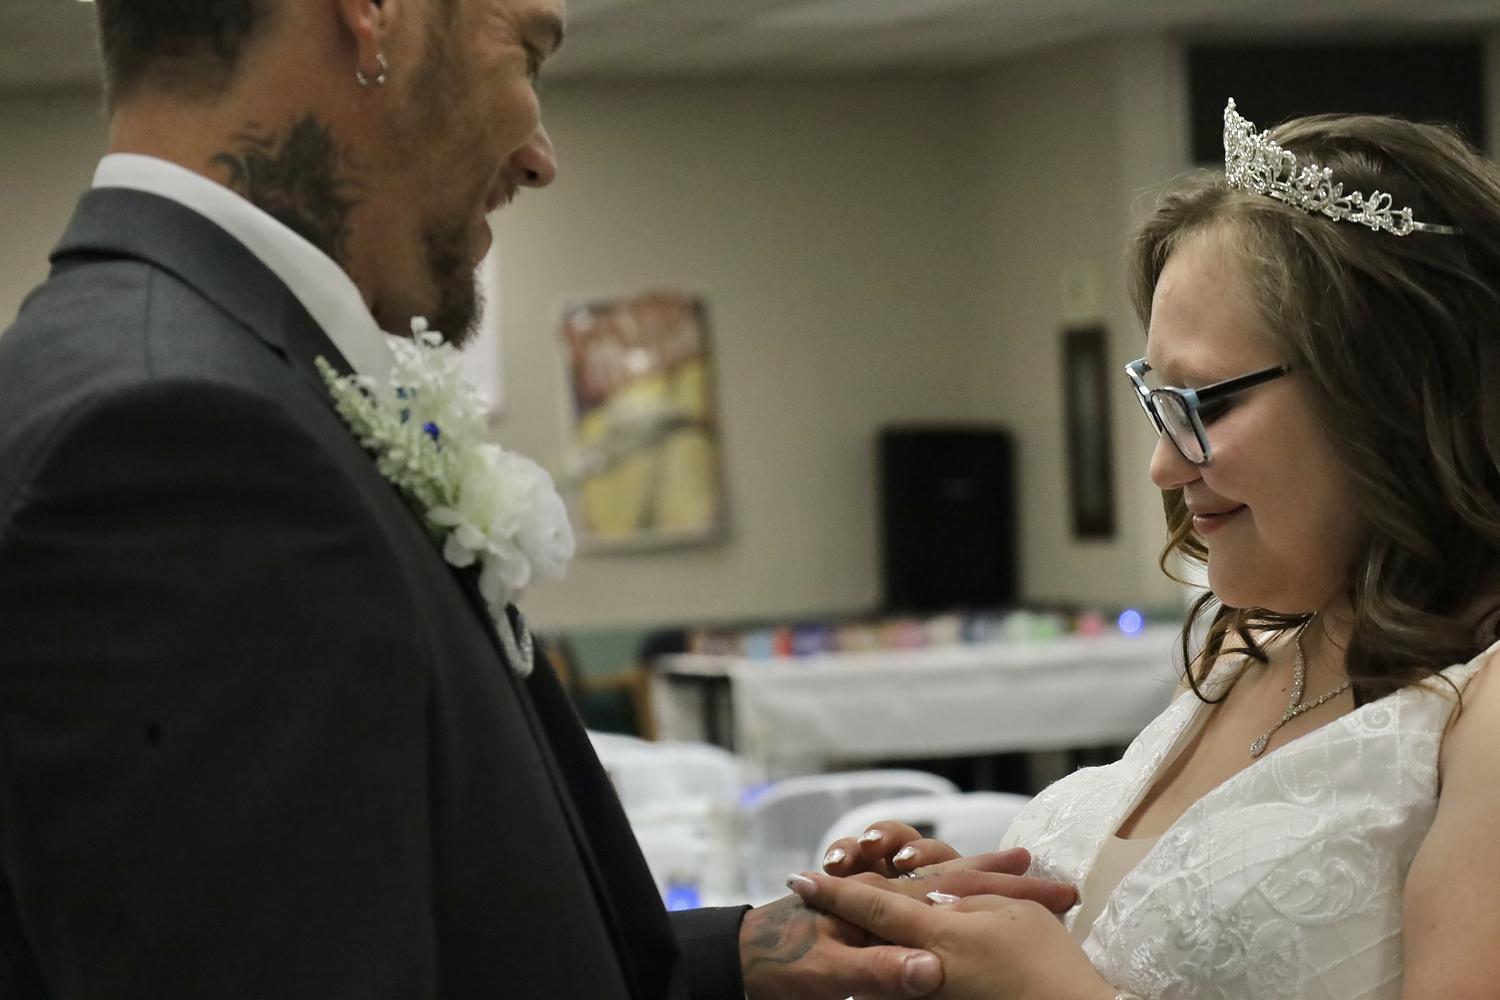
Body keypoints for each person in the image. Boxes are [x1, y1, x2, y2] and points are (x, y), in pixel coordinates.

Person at [0, 2, 1079, 997]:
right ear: (372, 14)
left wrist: (736, 956)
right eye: (525, 52)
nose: (538, 155)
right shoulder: (179, 440)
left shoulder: (179, 371)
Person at [809, 98, 1500, 998]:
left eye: (1206, 402)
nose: (1164, 465)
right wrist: (966, 924)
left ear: (1393, 394)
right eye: (1158, 402)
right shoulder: (1246, 650)